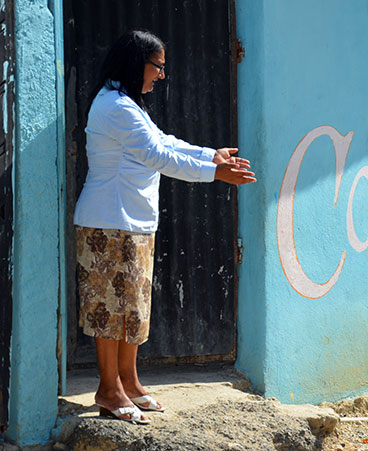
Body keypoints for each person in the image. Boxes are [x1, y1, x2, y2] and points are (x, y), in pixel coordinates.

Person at [73, 30, 256, 424]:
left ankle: (129, 381)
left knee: (132, 310)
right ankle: (108, 388)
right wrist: (215, 173)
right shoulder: (115, 107)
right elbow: (158, 156)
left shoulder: (129, 106)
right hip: (108, 221)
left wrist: (211, 155)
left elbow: (165, 141)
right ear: (137, 62)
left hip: (132, 221)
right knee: (109, 311)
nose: (160, 75)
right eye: (157, 67)